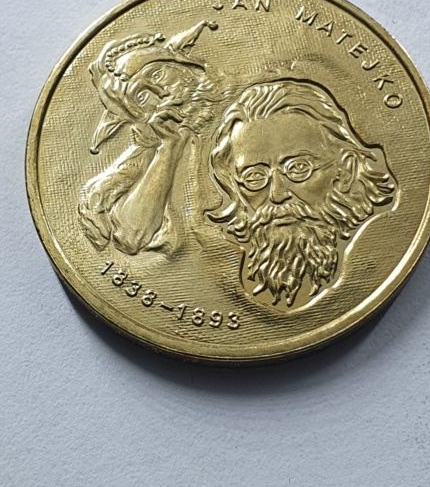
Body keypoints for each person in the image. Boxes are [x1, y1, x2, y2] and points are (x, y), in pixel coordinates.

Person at [207, 79, 397, 308]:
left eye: (298, 168)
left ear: (346, 169)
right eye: (254, 176)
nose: (277, 195)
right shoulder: (216, 265)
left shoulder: (384, 244)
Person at [79, 20, 218, 255]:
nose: (161, 92)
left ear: (181, 62)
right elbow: (130, 238)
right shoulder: (148, 157)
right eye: (142, 96)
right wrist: (169, 148)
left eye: (157, 74)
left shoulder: (253, 98)